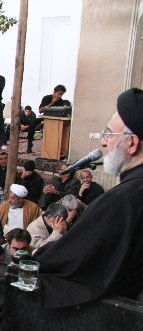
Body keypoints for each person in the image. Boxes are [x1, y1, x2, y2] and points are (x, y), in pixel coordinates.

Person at [38, 88, 143, 308]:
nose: (104, 143)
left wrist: (37, 256)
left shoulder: (122, 199)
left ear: (132, 143)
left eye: (108, 134)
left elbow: (71, 258)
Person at [27, 84, 72, 153]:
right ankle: (29, 145)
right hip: (45, 117)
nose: (60, 96)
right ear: (54, 92)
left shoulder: (61, 101)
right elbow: (40, 110)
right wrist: (52, 103)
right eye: (59, 94)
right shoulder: (47, 98)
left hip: (55, 120)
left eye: (61, 95)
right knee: (33, 122)